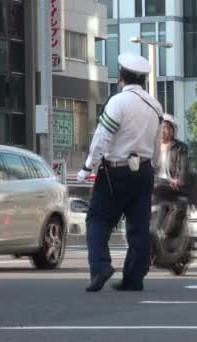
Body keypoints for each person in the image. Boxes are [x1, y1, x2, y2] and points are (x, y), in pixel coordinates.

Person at [77, 52, 162, 292]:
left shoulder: (118, 102)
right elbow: (156, 144)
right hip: (144, 170)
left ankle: (101, 266)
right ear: (144, 80)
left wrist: (87, 167)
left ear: (121, 77)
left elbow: (102, 138)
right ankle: (134, 277)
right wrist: (152, 167)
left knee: (98, 220)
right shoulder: (155, 106)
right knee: (138, 226)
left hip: (116, 171)